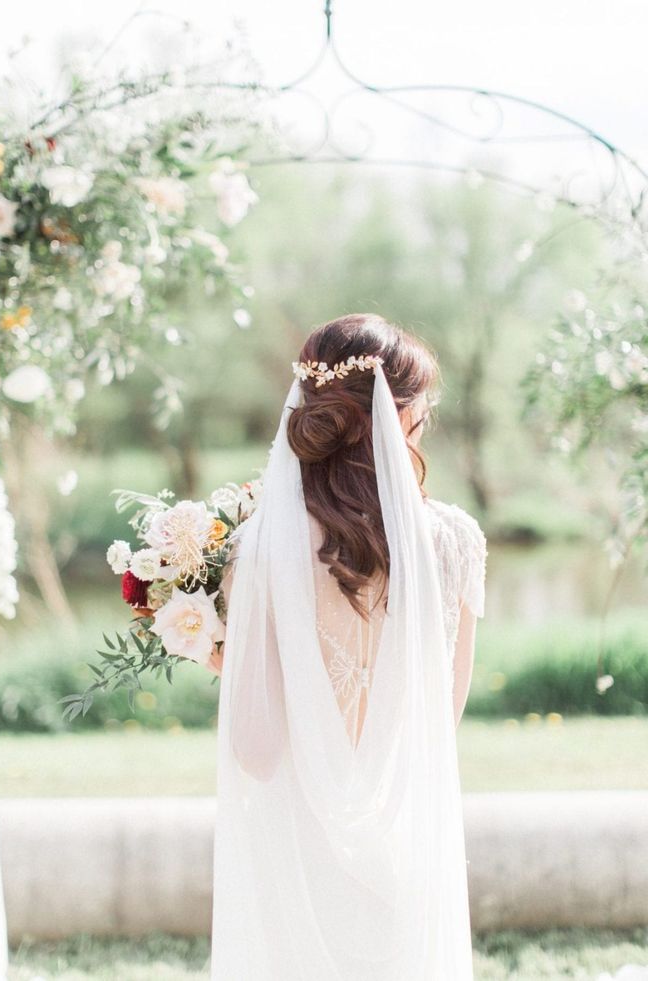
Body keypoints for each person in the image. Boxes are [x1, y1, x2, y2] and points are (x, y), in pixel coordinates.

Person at [208, 313, 487, 980]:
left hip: (298, 858)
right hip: (405, 839)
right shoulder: (452, 541)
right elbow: (437, 725)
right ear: (403, 415)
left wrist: (228, 658)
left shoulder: (260, 548)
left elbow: (254, 748)